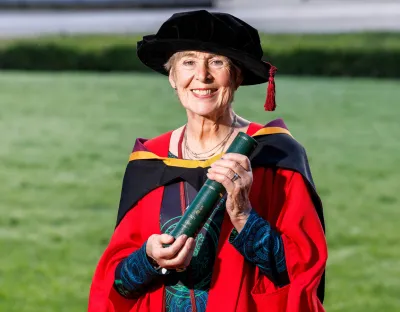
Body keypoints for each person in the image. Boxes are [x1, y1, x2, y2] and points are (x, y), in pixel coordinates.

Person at [88, 10, 327, 312]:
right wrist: (148, 258)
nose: (202, 76)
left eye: (217, 61)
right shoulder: (149, 161)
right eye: (188, 62)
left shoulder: (275, 155)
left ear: (237, 76)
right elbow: (118, 284)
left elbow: (300, 275)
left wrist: (243, 215)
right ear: (172, 77)